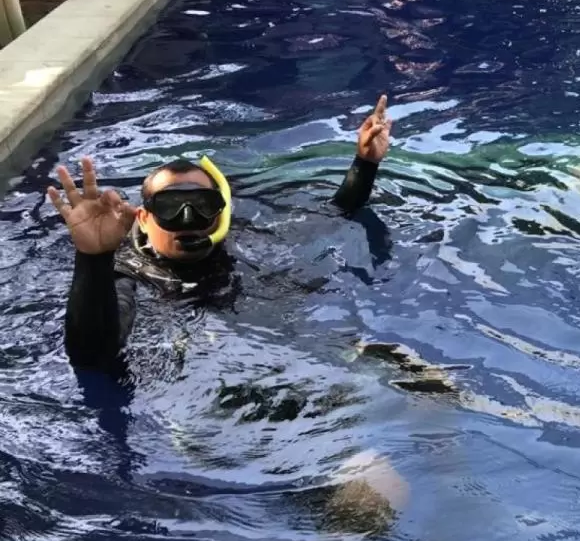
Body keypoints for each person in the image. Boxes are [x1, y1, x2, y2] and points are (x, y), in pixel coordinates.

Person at [47, 95, 395, 371]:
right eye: (170, 207)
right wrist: (93, 258)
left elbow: (333, 216)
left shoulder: (250, 241)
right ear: (144, 217)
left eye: (203, 204)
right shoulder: (127, 272)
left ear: (223, 212)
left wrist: (365, 164)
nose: (190, 219)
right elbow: (92, 355)